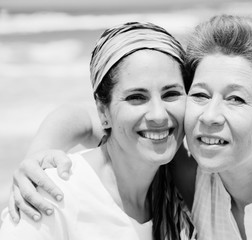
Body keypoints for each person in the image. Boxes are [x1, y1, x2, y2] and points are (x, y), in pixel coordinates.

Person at [5, 15, 252, 240]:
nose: (209, 116)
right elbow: (97, 120)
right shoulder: (191, 177)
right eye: (201, 94)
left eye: (235, 99)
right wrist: (38, 154)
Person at [0, 21, 196, 240]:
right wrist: (36, 155)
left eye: (171, 94)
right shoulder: (53, 196)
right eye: (136, 98)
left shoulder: (180, 186)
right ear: (104, 112)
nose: (158, 115)